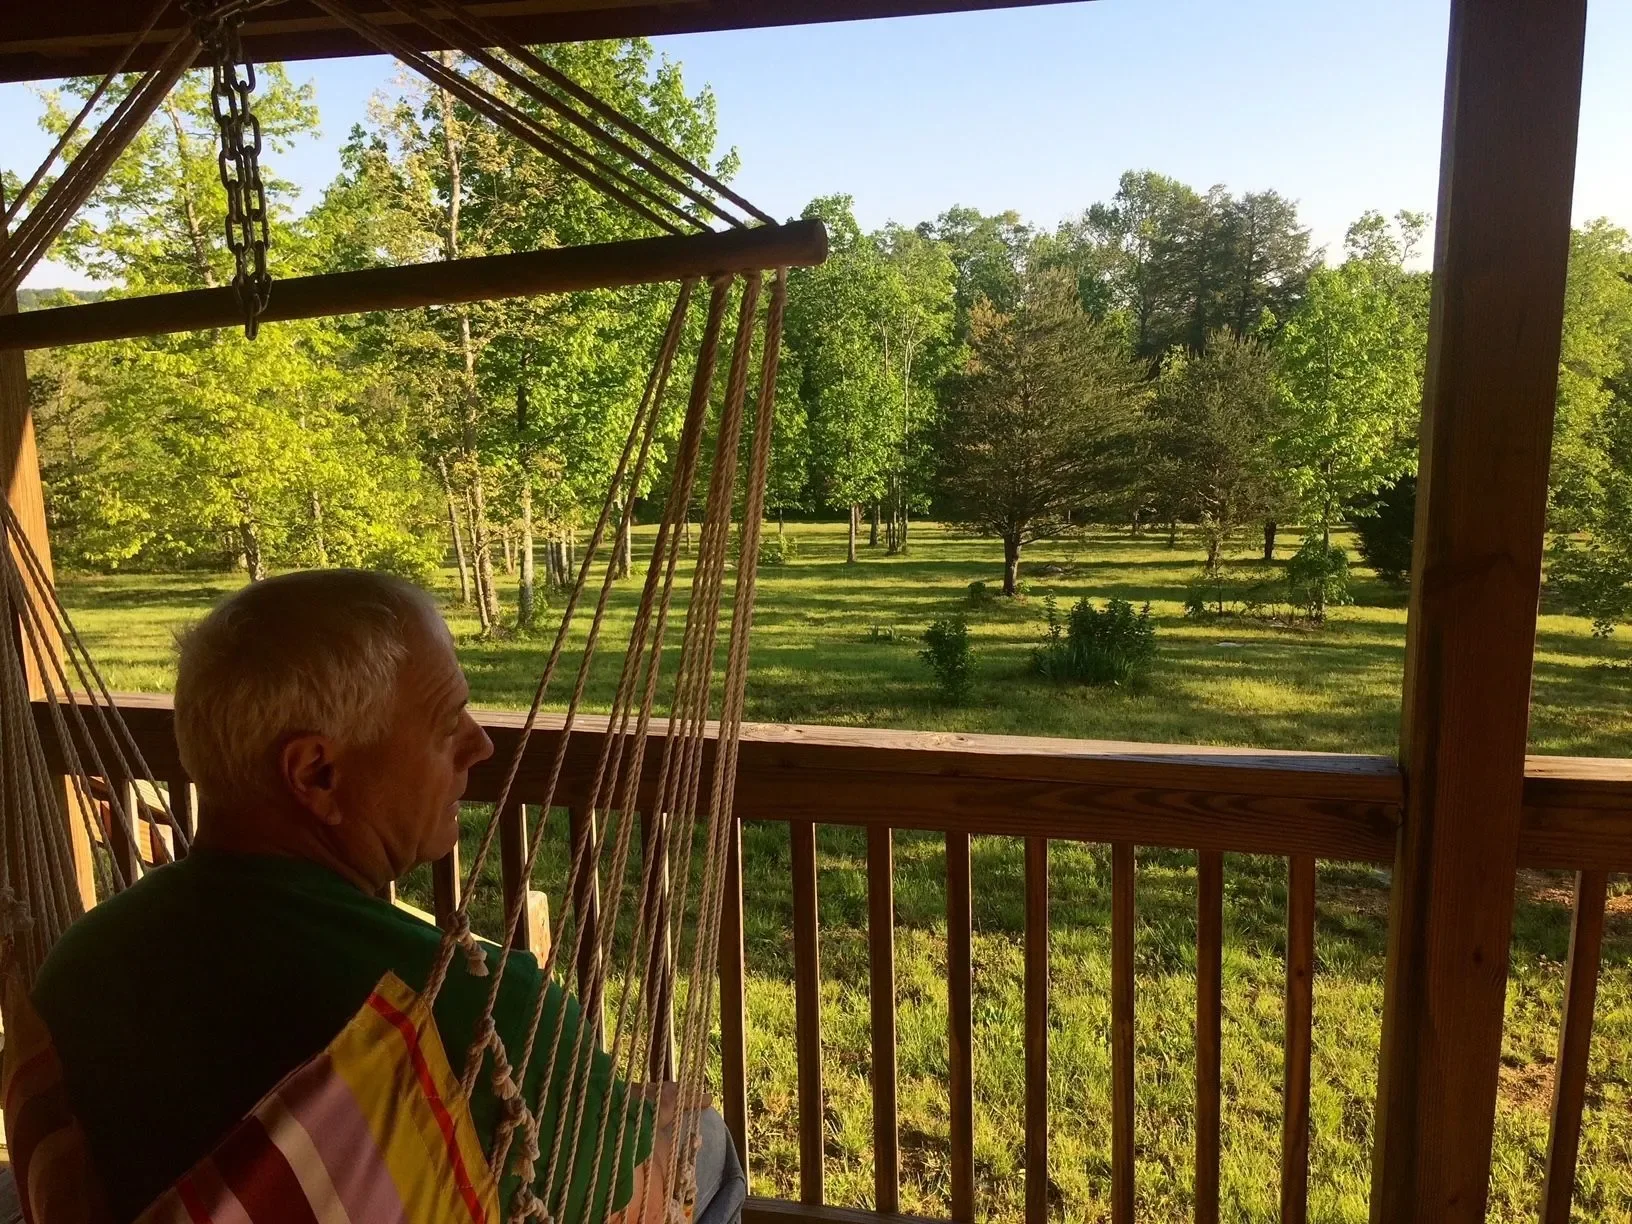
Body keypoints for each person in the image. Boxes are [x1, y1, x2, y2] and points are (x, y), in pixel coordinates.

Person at [30, 570, 744, 1224]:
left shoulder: (79, 965)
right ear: (318, 775)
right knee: (701, 1140)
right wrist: (654, 1126)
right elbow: (645, 1208)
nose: (480, 746)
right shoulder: (472, 1021)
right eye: (445, 725)